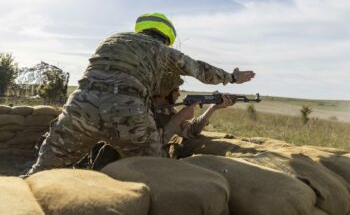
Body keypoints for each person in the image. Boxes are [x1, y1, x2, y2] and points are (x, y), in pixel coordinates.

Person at [25, 12, 255, 176]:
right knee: (158, 170)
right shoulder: (159, 49)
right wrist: (232, 77)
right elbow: (200, 70)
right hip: (127, 108)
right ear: (166, 37)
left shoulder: (110, 40)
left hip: (81, 103)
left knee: (41, 171)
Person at [152, 73, 235, 158]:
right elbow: (151, 147)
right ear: (164, 91)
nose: (179, 94)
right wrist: (179, 118)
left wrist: (213, 108)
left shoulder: (169, 110)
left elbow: (191, 131)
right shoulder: (145, 111)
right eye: (175, 90)